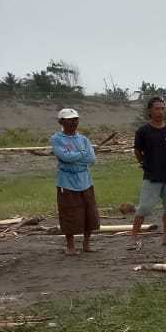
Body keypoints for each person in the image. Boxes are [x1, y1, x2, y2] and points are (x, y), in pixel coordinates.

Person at [128, 97, 166, 249]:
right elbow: (137, 151)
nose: (160, 112)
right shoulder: (143, 131)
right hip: (152, 176)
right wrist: (143, 163)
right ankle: (133, 238)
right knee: (144, 208)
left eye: (162, 108)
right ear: (150, 111)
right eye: (157, 109)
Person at [50, 108, 98, 256]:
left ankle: (86, 244)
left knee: (90, 212)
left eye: (75, 119)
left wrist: (76, 157)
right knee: (69, 213)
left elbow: (91, 159)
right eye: (69, 120)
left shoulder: (83, 139)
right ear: (62, 122)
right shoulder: (57, 139)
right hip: (67, 183)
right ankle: (70, 246)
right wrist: (82, 154)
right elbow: (65, 157)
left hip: (85, 181)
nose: (73, 122)